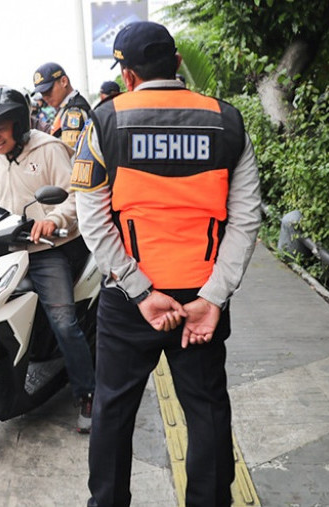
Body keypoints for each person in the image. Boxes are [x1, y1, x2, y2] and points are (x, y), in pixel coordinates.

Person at [71, 21, 262, 505]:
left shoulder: (104, 122)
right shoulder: (228, 121)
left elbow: (93, 222)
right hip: (201, 300)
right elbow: (246, 220)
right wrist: (214, 298)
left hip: (129, 301)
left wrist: (140, 291)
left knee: (113, 411)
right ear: (178, 64)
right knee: (207, 410)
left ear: (128, 75)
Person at [0, 86, 96, 433]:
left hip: (48, 250)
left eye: (0, 128)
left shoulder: (49, 148)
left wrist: (53, 220)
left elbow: (75, 196)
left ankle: (87, 393)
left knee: (63, 322)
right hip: (6, 249)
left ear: (18, 124)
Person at [32, 62, 91, 149]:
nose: (45, 97)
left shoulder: (73, 111)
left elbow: (69, 154)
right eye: (42, 93)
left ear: (64, 81)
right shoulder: (64, 108)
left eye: (48, 91)